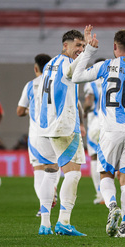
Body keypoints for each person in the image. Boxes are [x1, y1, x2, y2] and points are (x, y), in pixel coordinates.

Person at [72, 29, 125, 238]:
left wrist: (90, 51)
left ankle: (112, 206)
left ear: (114, 47)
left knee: (106, 175)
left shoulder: (105, 66)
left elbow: (76, 77)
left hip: (110, 131)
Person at [35, 26, 93, 236]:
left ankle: (45, 223)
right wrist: (91, 52)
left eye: (83, 46)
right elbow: (76, 71)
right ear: (65, 45)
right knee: (73, 174)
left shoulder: (50, 64)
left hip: (47, 125)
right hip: (64, 125)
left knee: (51, 173)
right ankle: (64, 222)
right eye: (77, 45)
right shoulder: (67, 63)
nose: (80, 49)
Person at [17, 53, 61, 217]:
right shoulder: (56, 83)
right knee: (54, 168)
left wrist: (30, 110)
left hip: (36, 134)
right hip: (55, 132)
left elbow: (19, 111)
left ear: (36, 68)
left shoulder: (31, 85)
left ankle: (44, 207)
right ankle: (53, 191)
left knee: (38, 170)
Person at [83, 58, 104, 205]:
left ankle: (100, 194)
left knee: (95, 157)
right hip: (111, 123)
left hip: (96, 122)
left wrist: (83, 111)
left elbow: (89, 101)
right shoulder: (114, 79)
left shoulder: (91, 83)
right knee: (109, 157)